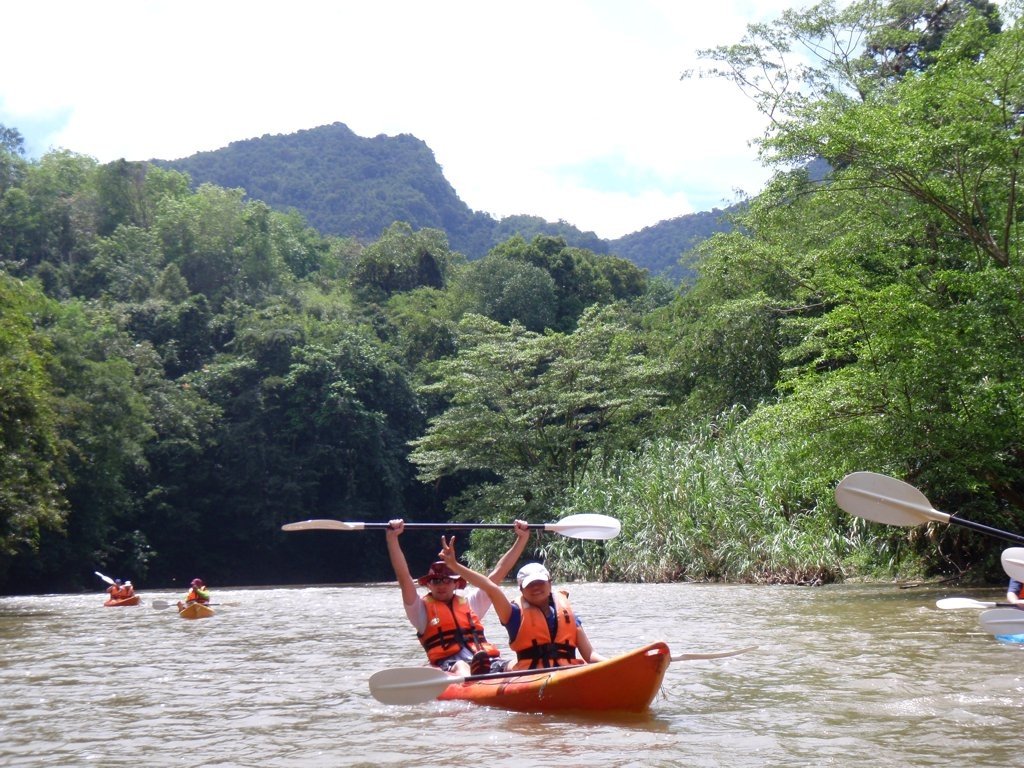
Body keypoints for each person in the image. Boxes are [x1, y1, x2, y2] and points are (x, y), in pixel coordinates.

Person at [386, 519, 531, 677]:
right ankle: (476, 681)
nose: (442, 585)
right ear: (429, 585)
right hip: (451, 666)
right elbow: (404, 578)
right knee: (461, 666)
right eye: (436, 581)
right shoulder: (419, 611)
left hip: (485, 660)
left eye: (447, 580)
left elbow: (499, 572)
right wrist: (392, 538)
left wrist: (522, 538)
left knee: (514, 664)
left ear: (456, 584)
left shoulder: (470, 604)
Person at [439, 536, 606, 671]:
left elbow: (590, 655)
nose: (536, 588)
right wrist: (454, 565)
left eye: (540, 583)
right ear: (521, 589)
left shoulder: (570, 616)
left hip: (567, 671)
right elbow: (490, 587)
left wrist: (617, 663)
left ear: (550, 583)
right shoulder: (513, 615)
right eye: (530, 584)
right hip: (531, 676)